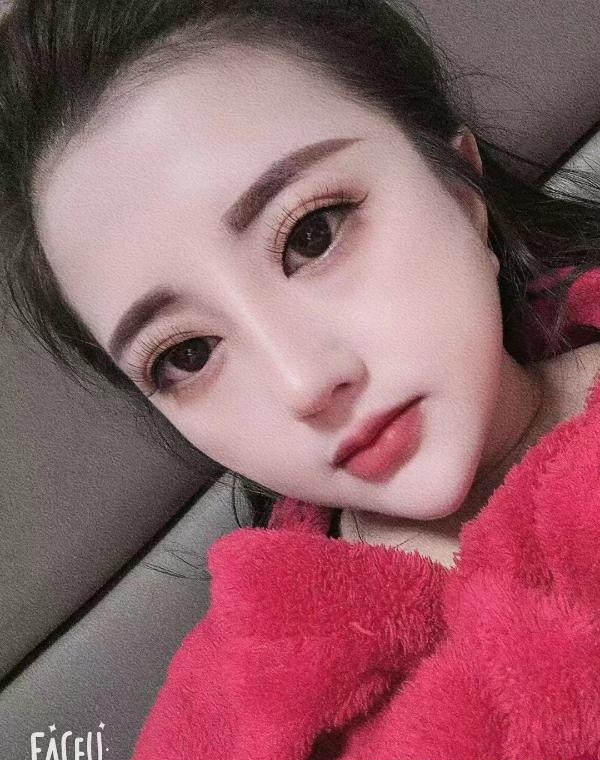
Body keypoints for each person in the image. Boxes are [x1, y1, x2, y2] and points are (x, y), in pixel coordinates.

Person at [1, 0, 599, 757]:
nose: (303, 384)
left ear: (459, 191)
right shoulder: (227, 707)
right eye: (187, 355)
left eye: (312, 235)